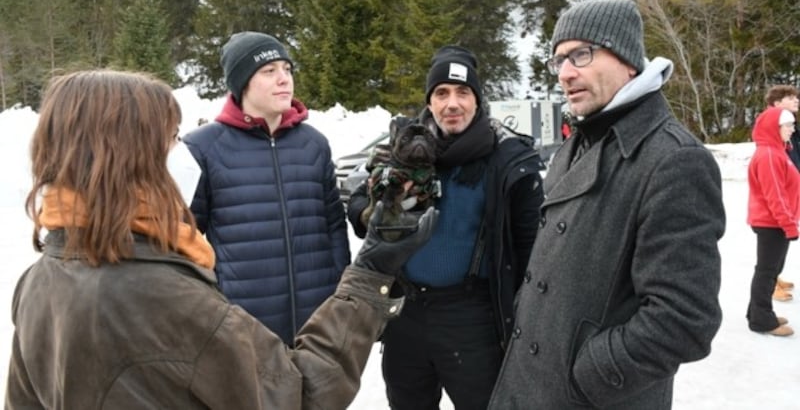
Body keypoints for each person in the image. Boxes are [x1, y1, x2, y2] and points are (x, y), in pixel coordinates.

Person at [5, 69, 437, 409]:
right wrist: (369, 274)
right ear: (130, 160)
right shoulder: (163, 296)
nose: (181, 155)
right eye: (170, 140)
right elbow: (301, 394)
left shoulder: (41, 279)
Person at [488, 0, 725, 409]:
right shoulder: (576, 143)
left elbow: (684, 319)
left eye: (581, 54)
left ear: (628, 60)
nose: (565, 73)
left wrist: (588, 374)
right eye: (559, 60)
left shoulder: (674, 160)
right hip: (525, 383)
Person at [347, 45, 545, 410]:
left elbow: (531, 246)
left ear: (477, 100)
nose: (452, 103)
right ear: (430, 101)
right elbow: (358, 202)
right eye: (441, 93)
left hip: (472, 318)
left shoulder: (507, 157)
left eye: (462, 92)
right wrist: (374, 212)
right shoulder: (406, 146)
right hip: (406, 314)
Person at [182, 32, 350, 346]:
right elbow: (183, 238)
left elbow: (334, 228)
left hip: (318, 327)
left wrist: (340, 298)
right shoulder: (203, 148)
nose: (284, 79)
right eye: (269, 71)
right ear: (242, 82)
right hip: (244, 331)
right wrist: (210, 306)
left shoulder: (313, 144)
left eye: (287, 69)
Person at [745, 107, 798, 337]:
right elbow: (774, 194)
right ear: (775, 128)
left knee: (771, 269)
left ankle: (757, 312)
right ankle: (761, 320)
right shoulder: (768, 155)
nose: (792, 130)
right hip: (771, 223)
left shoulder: (777, 151)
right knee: (767, 271)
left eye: (793, 125)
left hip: (775, 221)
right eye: (788, 126)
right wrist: (788, 225)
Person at [763, 84, 799, 302]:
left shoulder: (789, 125)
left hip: (790, 191)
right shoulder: (772, 126)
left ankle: (775, 276)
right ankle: (771, 282)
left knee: (780, 245)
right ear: (777, 104)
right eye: (790, 98)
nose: (796, 100)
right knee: (772, 246)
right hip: (778, 200)